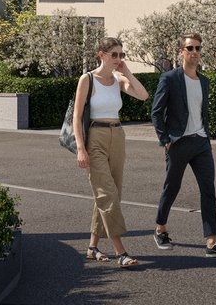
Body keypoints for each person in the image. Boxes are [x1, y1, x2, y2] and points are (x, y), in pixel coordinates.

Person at [151, 33, 216, 256]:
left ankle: (211, 242)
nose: (195, 52)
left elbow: (201, 112)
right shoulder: (169, 78)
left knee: (208, 190)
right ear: (181, 51)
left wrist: (206, 136)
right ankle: (160, 228)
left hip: (201, 143)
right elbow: (156, 112)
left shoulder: (204, 81)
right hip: (178, 143)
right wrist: (165, 140)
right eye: (190, 48)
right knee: (172, 187)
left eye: (198, 48)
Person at [73, 37, 148, 268]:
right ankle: (121, 252)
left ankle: (93, 246)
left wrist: (127, 71)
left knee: (112, 192)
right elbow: (77, 116)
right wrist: (80, 148)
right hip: (95, 136)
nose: (118, 59)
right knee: (106, 193)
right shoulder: (87, 79)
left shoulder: (118, 79)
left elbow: (143, 95)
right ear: (101, 55)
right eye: (114, 55)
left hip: (118, 136)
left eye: (121, 55)